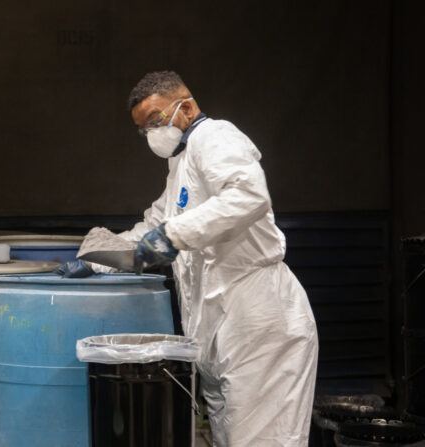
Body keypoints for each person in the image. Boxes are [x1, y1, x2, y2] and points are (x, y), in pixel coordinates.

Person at [56, 71, 319, 446]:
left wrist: (173, 236)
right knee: (230, 438)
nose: (151, 134)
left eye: (155, 121)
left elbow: (247, 195)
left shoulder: (216, 137)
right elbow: (153, 226)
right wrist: (98, 258)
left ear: (187, 107)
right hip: (218, 326)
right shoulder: (179, 166)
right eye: (143, 129)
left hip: (258, 319)